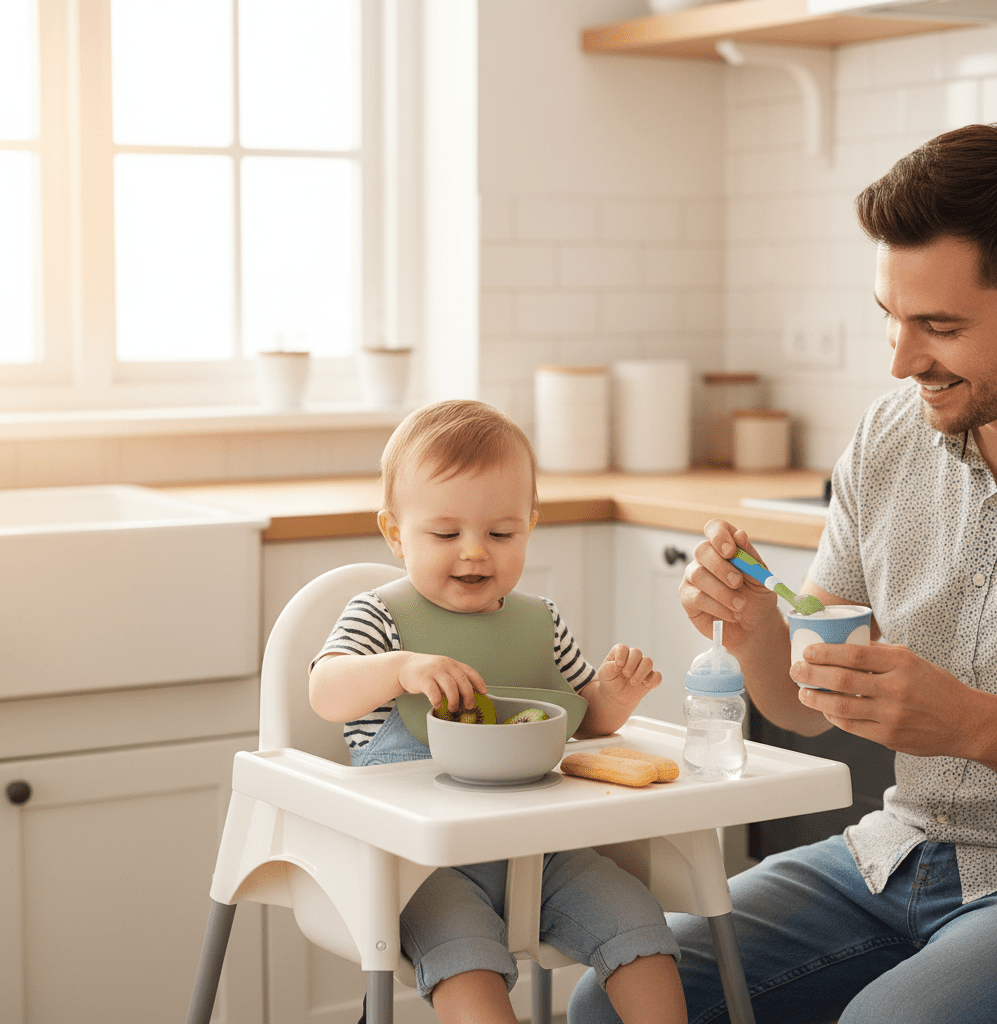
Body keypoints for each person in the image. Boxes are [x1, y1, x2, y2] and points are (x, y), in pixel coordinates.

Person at [568, 123, 997, 1024]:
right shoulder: (889, 438)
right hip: (898, 851)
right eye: (889, 314)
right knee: (613, 999)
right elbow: (803, 705)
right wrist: (759, 626)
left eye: (940, 327)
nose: (900, 359)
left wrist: (973, 726)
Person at [309, 399, 687, 1024]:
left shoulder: (542, 624)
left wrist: (615, 698)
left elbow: (585, 718)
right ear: (395, 533)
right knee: (466, 958)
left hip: (543, 851)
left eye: (501, 533)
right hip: (422, 869)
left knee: (637, 918)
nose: (475, 553)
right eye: (446, 534)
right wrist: (400, 668)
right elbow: (325, 691)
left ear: (530, 527)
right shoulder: (379, 618)